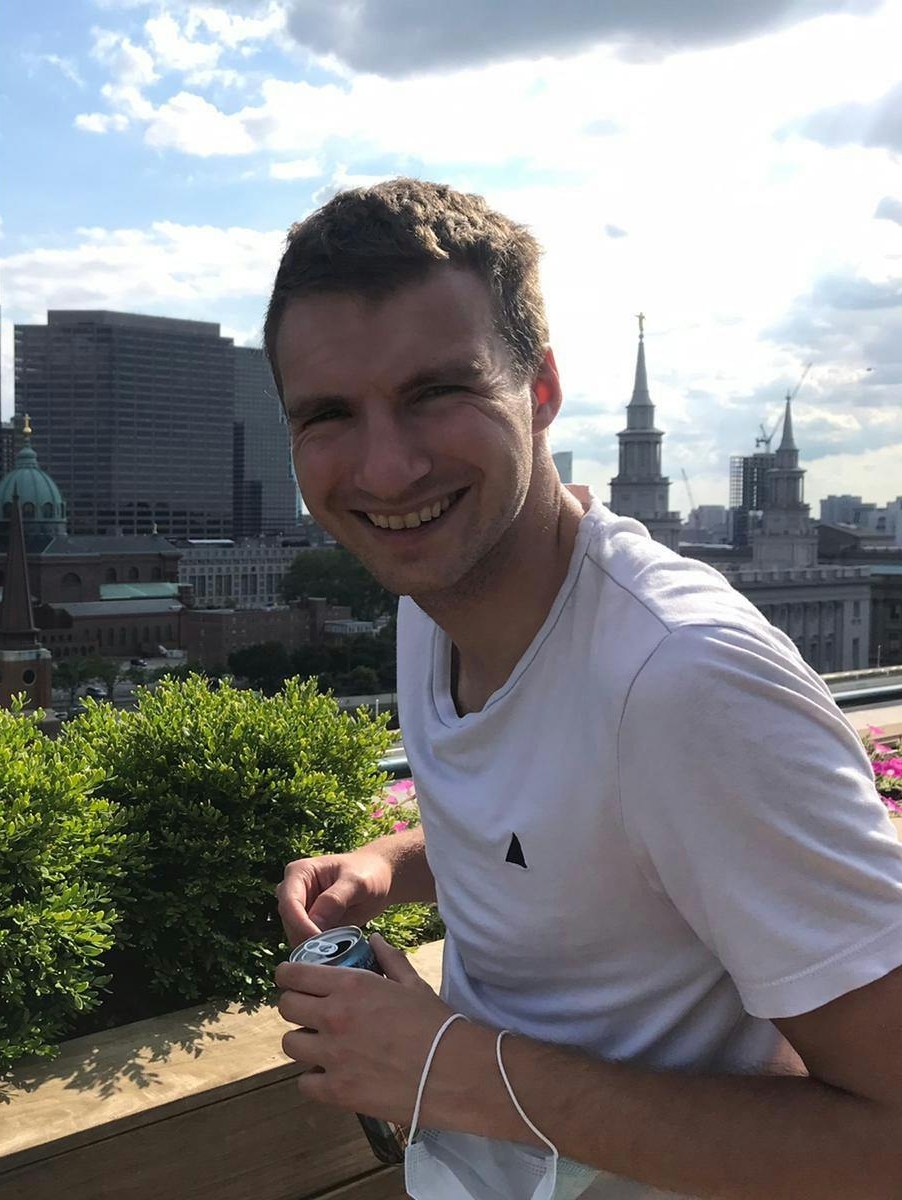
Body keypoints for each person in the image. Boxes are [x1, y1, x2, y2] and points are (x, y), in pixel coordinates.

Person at [267, 178, 902, 1199]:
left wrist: (445, 1072)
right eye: (329, 414)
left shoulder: (687, 684)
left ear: (542, 391)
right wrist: (393, 865)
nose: (385, 471)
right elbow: (579, 836)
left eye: (438, 391)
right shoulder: (428, 596)